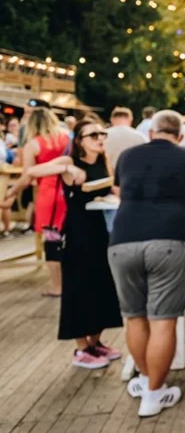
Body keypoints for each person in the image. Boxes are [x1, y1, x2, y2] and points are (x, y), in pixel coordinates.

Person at [109, 110, 185, 417]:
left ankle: (146, 382)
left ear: (151, 132)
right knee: (163, 321)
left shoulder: (128, 156)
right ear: (180, 135)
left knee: (133, 317)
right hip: (170, 241)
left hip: (122, 240)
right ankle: (154, 395)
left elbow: (118, 190)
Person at [10, 119, 123, 368]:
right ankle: (81, 348)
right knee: (79, 288)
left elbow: (111, 187)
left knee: (102, 285)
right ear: (79, 141)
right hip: (78, 232)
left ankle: (96, 341)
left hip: (101, 231)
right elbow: (32, 172)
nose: (100, 138)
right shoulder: (69, 161)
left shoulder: (104, 161)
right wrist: (68, 171)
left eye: (102, 133)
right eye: (93, 135)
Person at [13, 107, 70, 296]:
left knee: (52, 241)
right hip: (69, 191)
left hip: (50, 194)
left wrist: (12, 192)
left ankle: (57, 285)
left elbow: (27, 176)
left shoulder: (34, 144)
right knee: (69, 239)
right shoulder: (66, 138)